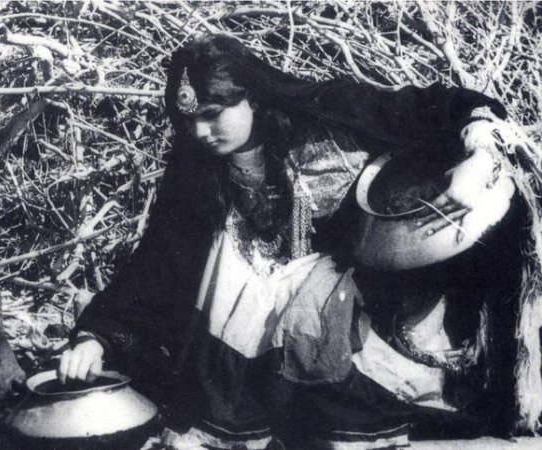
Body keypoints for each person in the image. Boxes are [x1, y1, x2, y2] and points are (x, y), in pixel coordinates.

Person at [57, 34, 523, 449]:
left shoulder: (330, 109)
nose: (200, 132)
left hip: (366, 304)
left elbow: (454, 106)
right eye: (190, 121)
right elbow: (156, 263)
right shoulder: (196, 167)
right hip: (245, 327)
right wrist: (98, 338)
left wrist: (480, 156)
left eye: (213, 114)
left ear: (253, 97)